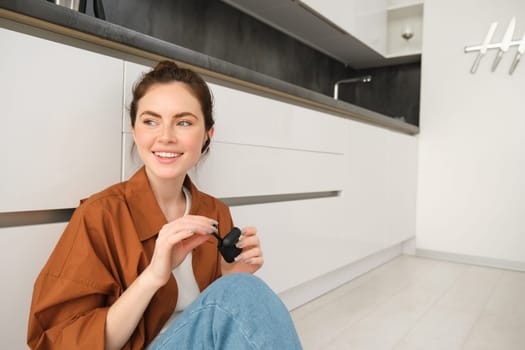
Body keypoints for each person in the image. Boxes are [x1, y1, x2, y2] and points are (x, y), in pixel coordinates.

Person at [27, 61, 302, 350]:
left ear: (208, 134)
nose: (166, 136)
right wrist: (154, 276)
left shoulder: (215, 213)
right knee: (243, 292)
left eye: (183, 122)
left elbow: (210, 324)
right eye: (151, 121)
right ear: (134, 131)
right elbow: (59, 343)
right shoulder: (100, 216)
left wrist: (228, 280)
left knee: (243, 289)